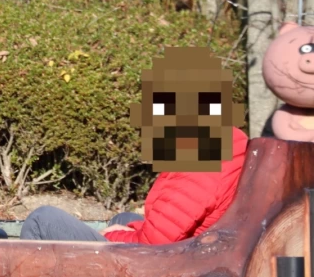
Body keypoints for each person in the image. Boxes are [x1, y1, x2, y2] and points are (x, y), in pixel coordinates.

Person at [22, 47, 249, 244]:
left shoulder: (202, 161)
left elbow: (153, 244)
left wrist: (114, 236)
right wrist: (125, 230)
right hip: (186, 251)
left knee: (42, 220)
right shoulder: (222, 141)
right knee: (124, 220)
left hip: (167, 268)